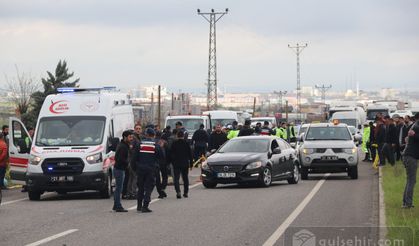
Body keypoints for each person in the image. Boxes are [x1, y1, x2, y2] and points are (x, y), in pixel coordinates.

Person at [132, 128, 162, 213]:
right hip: (151, 169)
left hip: (140, 169)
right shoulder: (155, 145)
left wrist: (135, 168)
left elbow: (134, 158)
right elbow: (161, 157)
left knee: (140, 187)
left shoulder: (139, 144)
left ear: (146, 134)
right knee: (149, 187)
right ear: (153, 135)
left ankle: (139, 206)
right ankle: (145, 205)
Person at [113, 130, 133, 212]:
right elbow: (119, 159)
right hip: (119, 169)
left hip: (120, 169)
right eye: (129, 137)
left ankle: (116, 205)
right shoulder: (123, 147)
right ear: (125, 137)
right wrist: (127, 163)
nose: (131, 138)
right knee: (119, 188)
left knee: (119, 187)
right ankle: (118, 206)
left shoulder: (124, 145)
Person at [402, 112, 419, 209]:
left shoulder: (414, 126)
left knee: (410, 180)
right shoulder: (416, 127)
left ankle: (405, 202)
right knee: (412, 180)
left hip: (409, 156)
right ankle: (408, 203)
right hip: (411, 157)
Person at [170, 131, 193, 199]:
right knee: (185, 178)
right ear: (183, 136)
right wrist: (191, 164)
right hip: (185, 163)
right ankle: (185, 192)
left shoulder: (174, 143)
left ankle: (178, 192)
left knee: (176, 178)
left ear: (177, 136)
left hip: (176, 163)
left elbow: (171, 154)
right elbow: (190, 154)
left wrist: (171, 161)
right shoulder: (186, 143)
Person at [123, 124, 142, 200]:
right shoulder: (133, 138)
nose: (138, 130)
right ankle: (133, 193)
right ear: (134, 129)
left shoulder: (138, 137)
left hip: (133, 160)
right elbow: (130, 149)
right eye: (137, 128)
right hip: (132, 160)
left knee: (131, 177)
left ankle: (130, 192)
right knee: (134, 177)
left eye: (139, 129)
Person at [155, 131, 168, 199]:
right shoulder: (164, 142)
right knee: (165, 176)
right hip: (163, 161)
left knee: (157, 178)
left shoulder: (153, 142)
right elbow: (167, 151)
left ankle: (160, 192)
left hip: (155, 161)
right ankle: (162, 188)